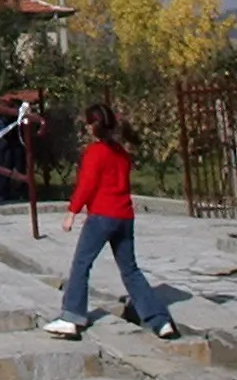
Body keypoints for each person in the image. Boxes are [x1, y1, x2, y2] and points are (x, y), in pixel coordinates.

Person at [43, 104, 179, 340]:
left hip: (101, 216)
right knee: (131, 270)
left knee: (82, 265)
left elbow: (87, 184)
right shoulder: (121, 153)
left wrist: (71, 212)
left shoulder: (95, 152)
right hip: (124, 216)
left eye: (87, 124)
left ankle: (71, 316)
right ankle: (160, 321)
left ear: (92, 126)